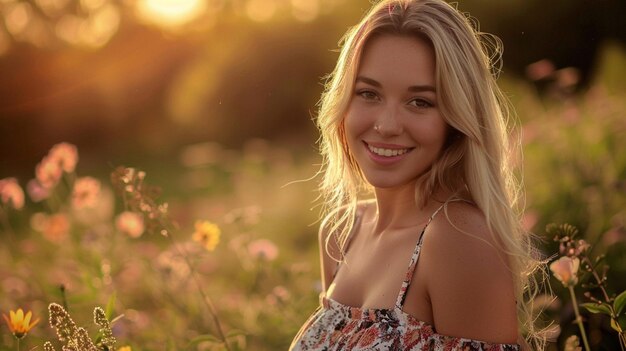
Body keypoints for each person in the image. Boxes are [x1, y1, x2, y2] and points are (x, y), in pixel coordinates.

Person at [290, 0, 544, 350]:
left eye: (420, 102)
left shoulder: (457, 239)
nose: (387, 125)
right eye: (368, 93)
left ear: (456, 118)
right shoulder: (341, 232)